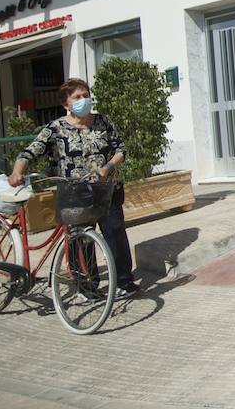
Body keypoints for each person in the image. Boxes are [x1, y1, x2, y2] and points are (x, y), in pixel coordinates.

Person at [8, 78, 140, 298]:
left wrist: (107, 168)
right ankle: (87, 287)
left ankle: (123, 282)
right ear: (66, 104)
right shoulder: (56, 128)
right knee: (81, 240)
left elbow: (121, 150)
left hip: (107, 189)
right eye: (77, 97)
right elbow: (29, 152)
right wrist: (17, 171)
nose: (84, 100)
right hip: (75, 192)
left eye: (86, 95)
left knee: (115, 233)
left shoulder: (103, 121)